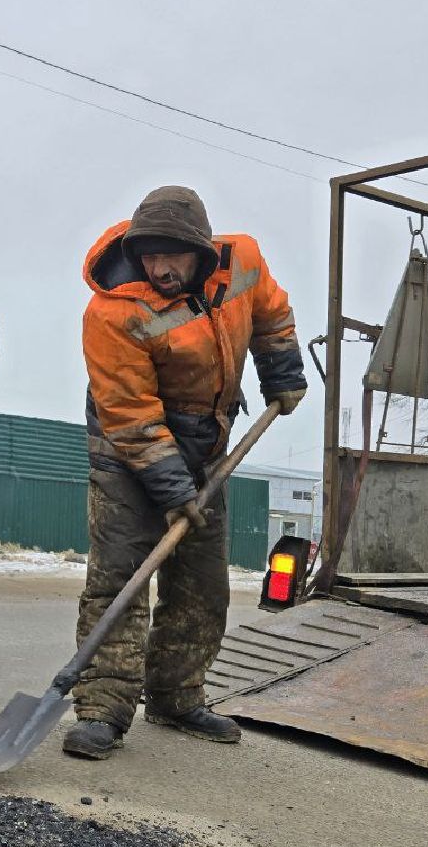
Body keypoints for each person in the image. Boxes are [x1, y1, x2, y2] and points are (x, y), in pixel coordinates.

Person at [66, 185, 307, 759]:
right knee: (121, 577)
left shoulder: (242, 260)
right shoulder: (113, 311)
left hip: (206, 446)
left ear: (201, 250)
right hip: (127, 452)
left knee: (201, 582)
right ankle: (102, 708)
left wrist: (282, 370)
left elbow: (273, 312)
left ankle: (176, 696)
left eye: (170, 255)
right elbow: (130, 415)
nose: (158, 267)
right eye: (148, 255)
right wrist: (173, 490)